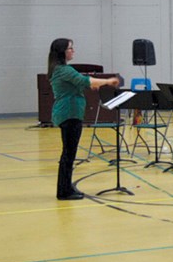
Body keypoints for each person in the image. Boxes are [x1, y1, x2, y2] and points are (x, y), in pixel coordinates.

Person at [47, 38, 121, 200]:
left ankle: (66, 185)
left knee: (69, 153)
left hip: (69, 112)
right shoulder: (64, 70)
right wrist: (108, 81)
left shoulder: (61, 69)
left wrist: (94, 84)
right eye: (70, 48)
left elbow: (83, 83)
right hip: (69, 113)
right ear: (62, 52)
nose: (73, 51)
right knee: (69, 153)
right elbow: (85, 81)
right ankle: (64, 190)